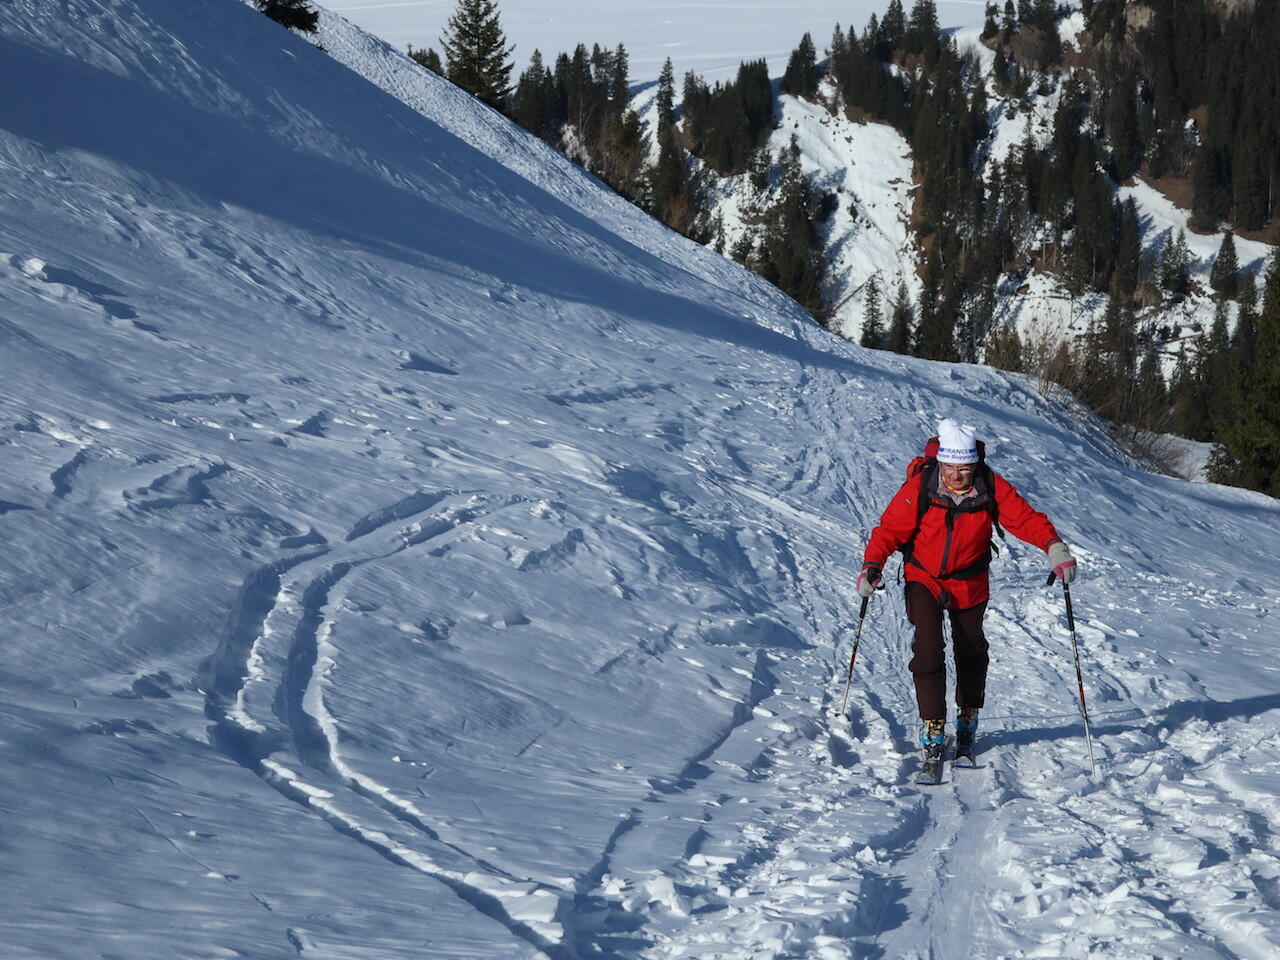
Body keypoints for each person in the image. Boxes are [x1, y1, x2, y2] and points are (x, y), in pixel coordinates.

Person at [855, 419, 1077, 769]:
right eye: (950, 468)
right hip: (924, 577)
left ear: (974, 465)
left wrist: (1054, 547)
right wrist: (872, 565)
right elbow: (890, 530)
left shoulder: (990, 485)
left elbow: (1025, 519)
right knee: (928, 651)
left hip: (970, 580)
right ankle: (932, 725)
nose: (957, 476)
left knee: (971, 650)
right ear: (940, 462)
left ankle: (967, 717)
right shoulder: (922, 484)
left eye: (964, 469)